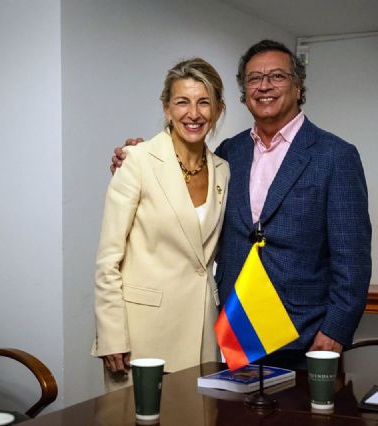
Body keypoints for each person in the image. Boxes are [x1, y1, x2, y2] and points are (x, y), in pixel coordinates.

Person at [111, 40, 371, 370]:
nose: (264, 86)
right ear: (244, 91)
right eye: (254, 78)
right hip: (235, 331)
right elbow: (182, 184)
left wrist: (336, 330)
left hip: (304, 335)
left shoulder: (335, 156)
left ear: (298, 85)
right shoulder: (228, 154)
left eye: (277, 76)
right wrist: (136, 157)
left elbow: (353, 259)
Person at [92, 58, 229, 390]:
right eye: (182, 102)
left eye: (204, 102)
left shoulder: (223, 169)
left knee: (197, 414)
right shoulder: (137, 160)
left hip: (201, 334)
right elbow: (108, 259)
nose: (193, 113)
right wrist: (111, 335)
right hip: (141, 337)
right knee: (135, 415)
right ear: (167, 109)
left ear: (217, 110)